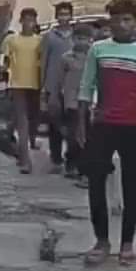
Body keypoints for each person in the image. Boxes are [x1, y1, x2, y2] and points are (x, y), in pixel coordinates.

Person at [77, 0, 136, 267]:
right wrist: (81, 125)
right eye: (116, 20)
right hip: (102, 125)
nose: (122, 25)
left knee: (131, 185)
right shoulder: (98, 49)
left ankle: (127, 243)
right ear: (110, 24)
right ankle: (101, 241)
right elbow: (86, 88)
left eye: (127, 20)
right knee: (96, 184)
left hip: (134, 126)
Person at [1, 8, 43, 174]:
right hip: (17, 84)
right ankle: (25, 160)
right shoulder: (12, 40)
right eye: (26, 20)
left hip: (36, 84)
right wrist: (2, 78)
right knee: (22, 122)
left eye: (32, 20)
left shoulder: (40, 41)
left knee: (33, 120)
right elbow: (4, 61)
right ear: (21, 21)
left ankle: (22, 145)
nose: (29, 23)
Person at [40, 1, 75, 175]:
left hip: (71, 86)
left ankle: (71, 159)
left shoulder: (76, 37)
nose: (63, 17)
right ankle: (56, 158)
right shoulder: (49, 37)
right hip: (52, 85)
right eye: (60, 14)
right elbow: (44, 61)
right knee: (55, 124)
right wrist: (42, 86)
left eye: (66, 14)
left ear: (71, 16)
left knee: (72, 124)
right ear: (56, 16)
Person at [54, 23, 93, 180]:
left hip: (89, 101)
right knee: (73, 136)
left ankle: (84, 166)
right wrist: (56, 96)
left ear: (90, 40)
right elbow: (60, 80)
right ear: (73, 39)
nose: (81, 42)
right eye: (78, 38)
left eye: (84, 39)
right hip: (71, 101)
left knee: (88, 136)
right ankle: (71, 163)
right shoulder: (66, 58)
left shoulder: (94, 57)